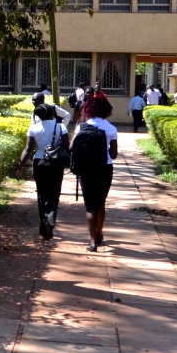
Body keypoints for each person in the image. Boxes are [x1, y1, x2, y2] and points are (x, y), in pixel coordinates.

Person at [74, 96, 119, 252]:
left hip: (86, 168)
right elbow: (113, 154)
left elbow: (73, 148)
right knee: (101, 203)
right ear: (107, 110)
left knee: (90, 206)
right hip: (105, 168)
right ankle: (99, 234)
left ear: (88, 110)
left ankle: (92, 242)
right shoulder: (111, 128)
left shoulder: (81, 127)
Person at [18, 103, 68, 240]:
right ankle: (50, 223)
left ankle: (43, 225)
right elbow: (67, 146)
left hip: (39, 163)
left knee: (41, 195)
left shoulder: (33, 128)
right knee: (54, 194)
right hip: (55, 164)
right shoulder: (60, 127)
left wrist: (19, 166)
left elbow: (27, 149)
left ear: (38, 116)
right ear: (52, 114)